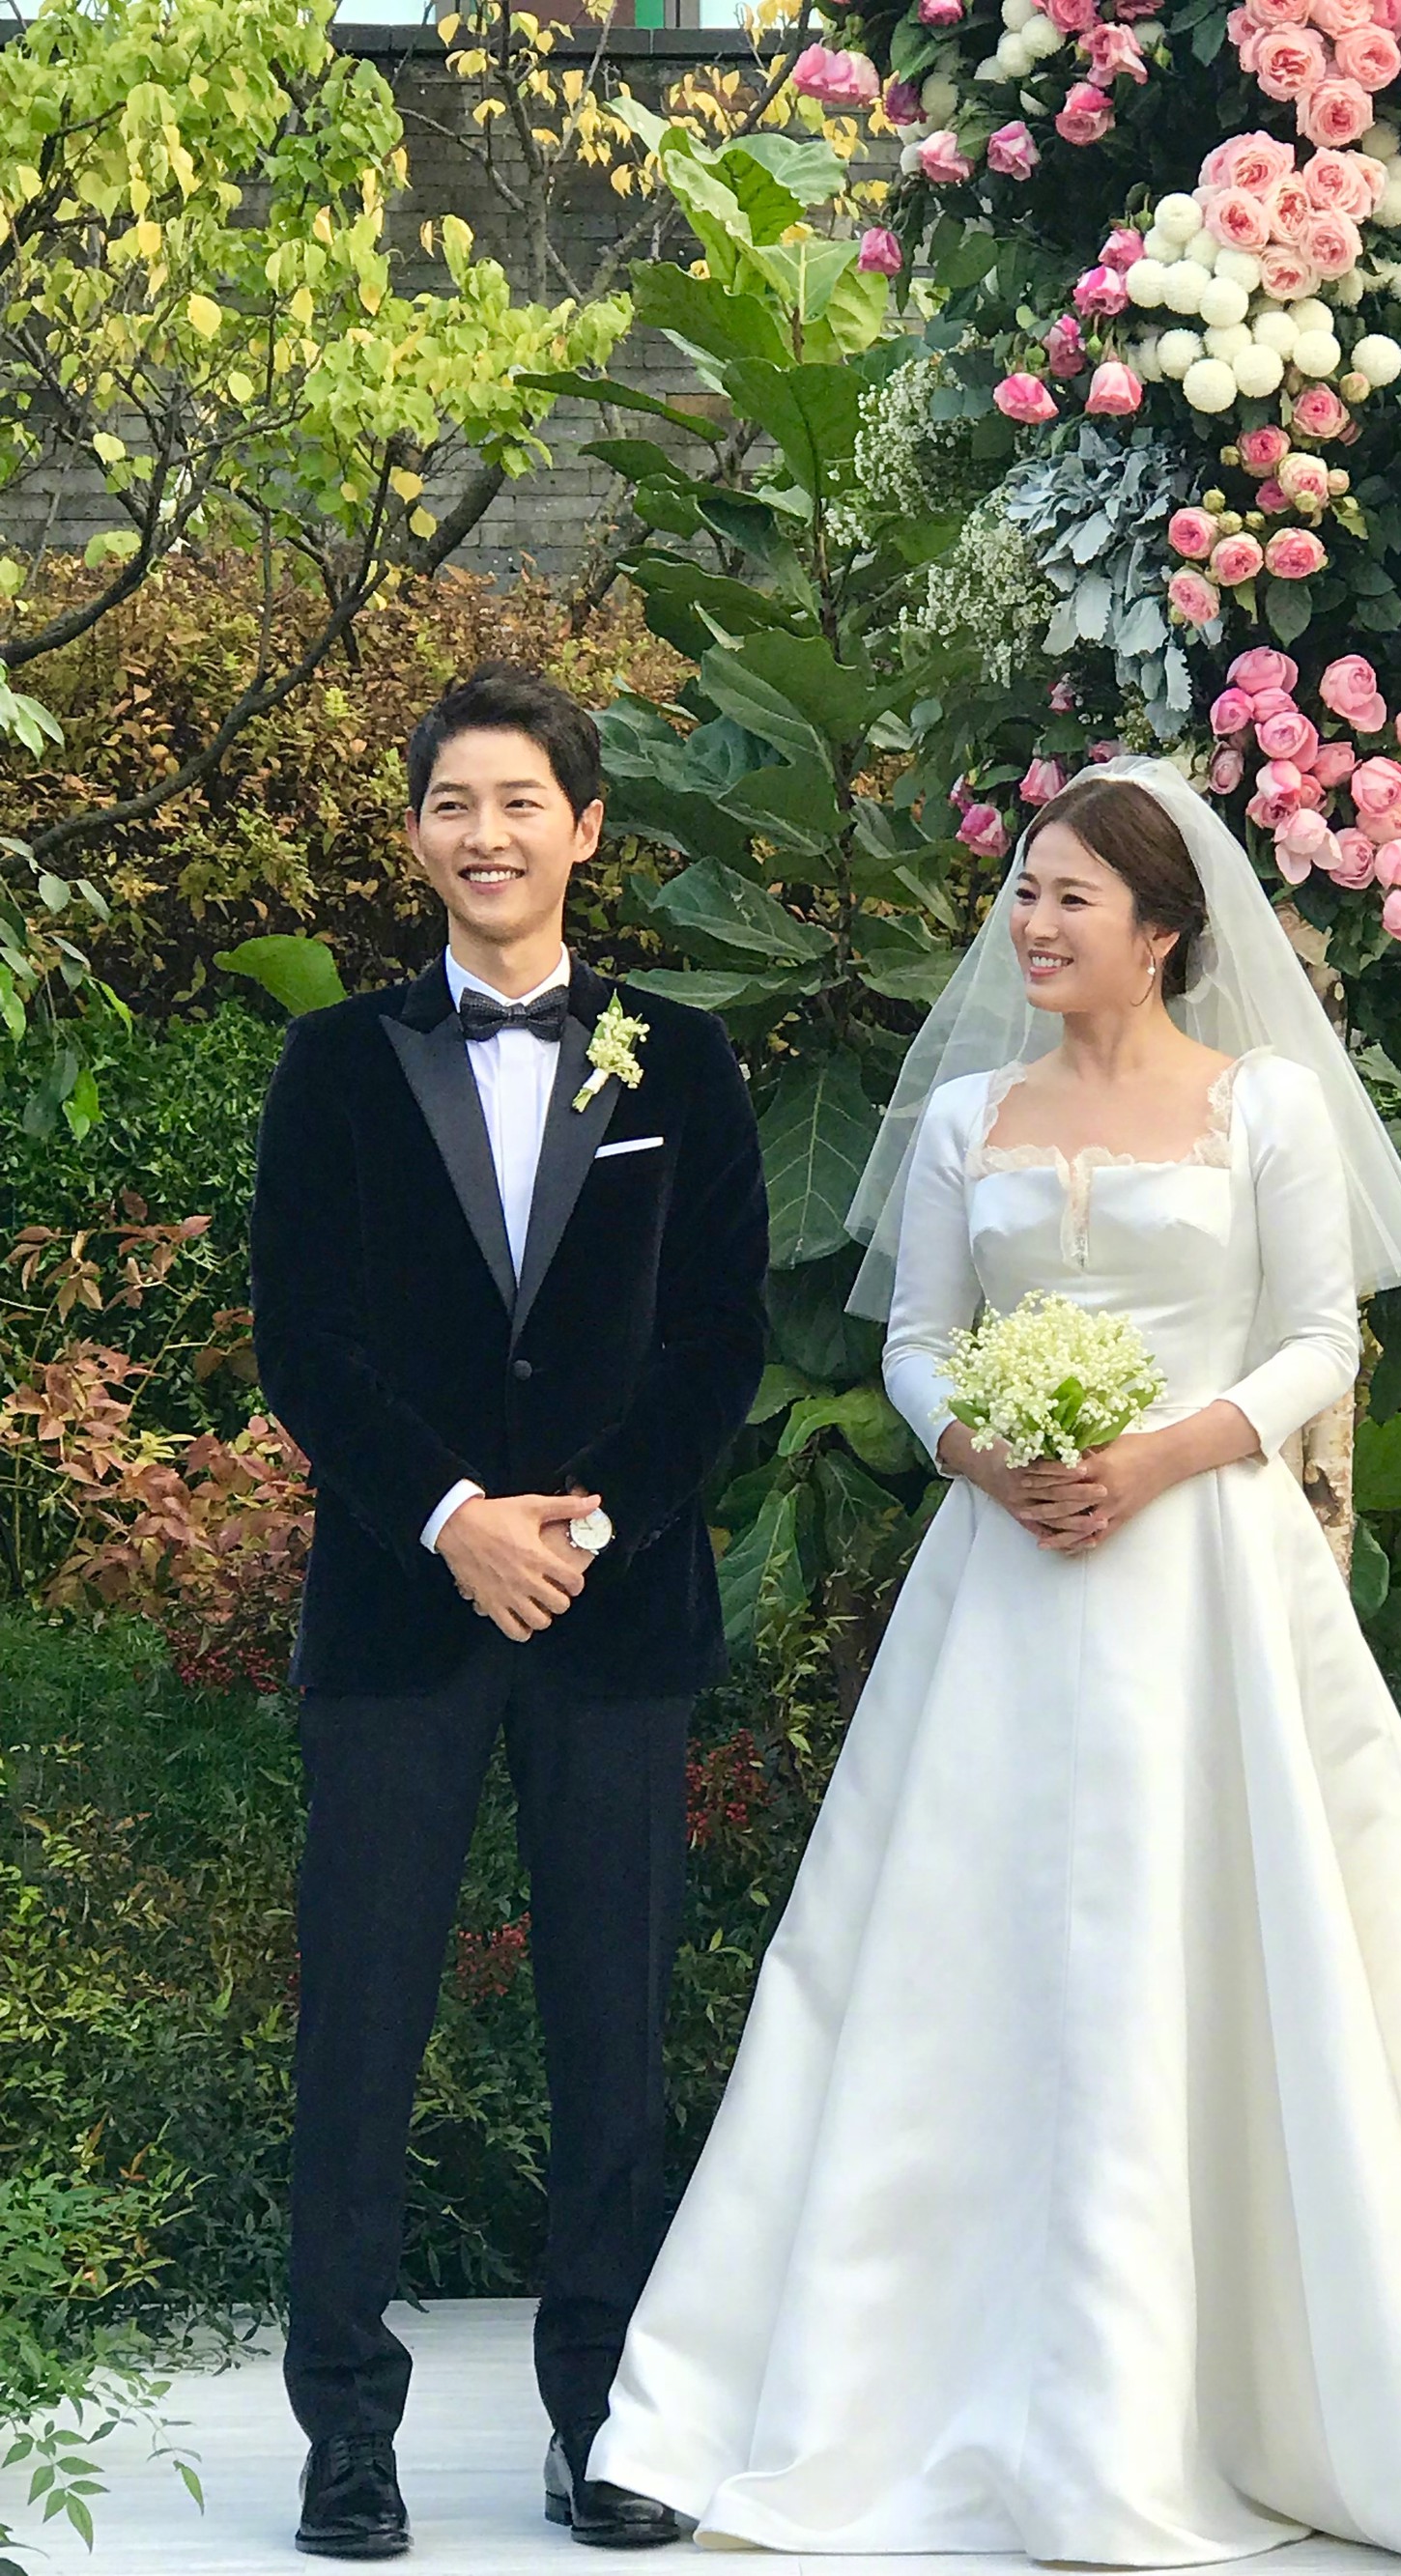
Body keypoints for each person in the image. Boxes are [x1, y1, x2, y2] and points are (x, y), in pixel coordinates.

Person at [587, 754, 1401, 2573]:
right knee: (936, 1951)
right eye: (1025, 892)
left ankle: (1267, 2385)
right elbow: (913, 1338)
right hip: (1003, 1579)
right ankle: (871, 2374)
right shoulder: (972, 1115)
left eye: (1070, 898)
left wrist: (1158, 1457)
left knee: (1237, 1931)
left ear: (1163, 932)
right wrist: (981, 1450)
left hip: (1205, 1571)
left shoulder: (1265, 1109)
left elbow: (1316, 1340)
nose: (1031, 923)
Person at [250, 663, 767, 2559]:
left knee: (611, 2033)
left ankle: (601, 2418)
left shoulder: (680, 1063)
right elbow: (304, 1337)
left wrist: (587, 1525)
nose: (487, 833)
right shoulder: (334, 1065)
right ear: (415, 834)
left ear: (586, 828)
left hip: (614, 1621)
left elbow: (718, 1340)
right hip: (399, 1613)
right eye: (453, 802)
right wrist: (456, 1519)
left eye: (520, 800)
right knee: (361, 2024)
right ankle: (346, 2433)